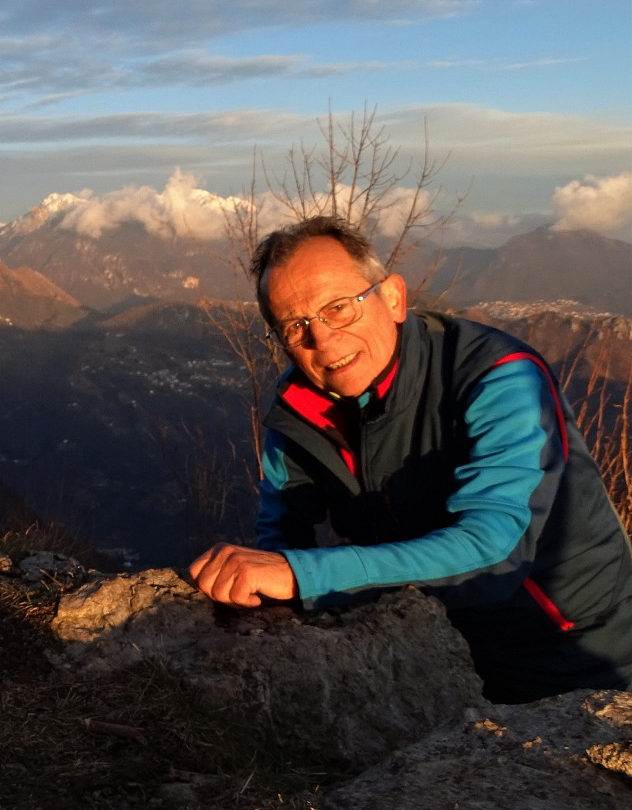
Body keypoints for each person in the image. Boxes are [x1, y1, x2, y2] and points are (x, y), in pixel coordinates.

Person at [188, 216, 632, 703]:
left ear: (393, 298)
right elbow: (281, 532)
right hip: (433, 656)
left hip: (582, 664)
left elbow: (494, 552)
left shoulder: (499, 377)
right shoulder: (299, 412)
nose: (322, 339)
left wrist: (302, 574)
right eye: (295, 326)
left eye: (338, 308)